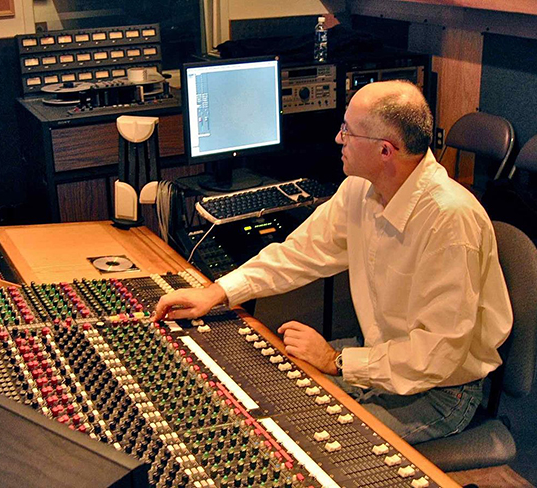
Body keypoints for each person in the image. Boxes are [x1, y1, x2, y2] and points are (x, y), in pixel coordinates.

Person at [154, 80, 513, 445]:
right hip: (379, 358)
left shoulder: (450, 221)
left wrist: (336, 361)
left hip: (442, 392)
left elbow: (437, 355)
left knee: (302, 441)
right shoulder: (361, 188)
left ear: (385, 150)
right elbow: (298, 253)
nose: (338, 138)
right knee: (266, 397)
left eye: (348, 130)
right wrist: (217, 293)